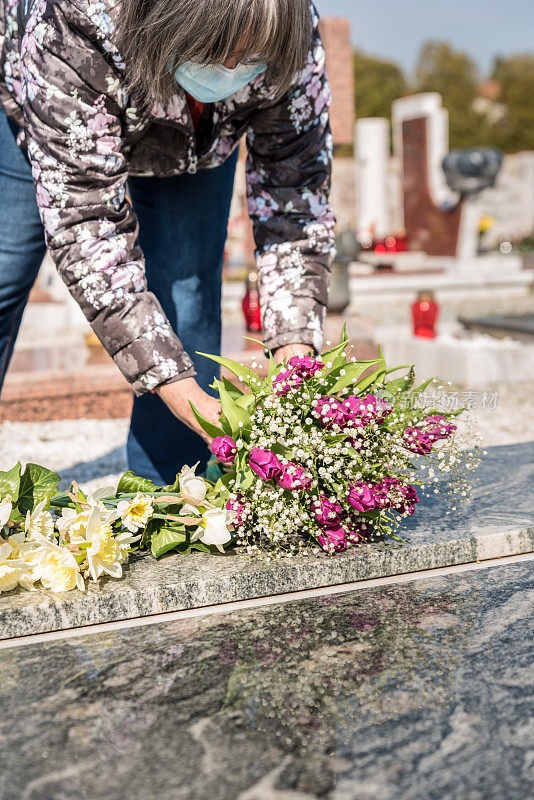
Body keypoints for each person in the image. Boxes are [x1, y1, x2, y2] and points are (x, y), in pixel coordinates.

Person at [0, 0, 335, 484]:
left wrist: (296, 364)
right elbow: (88, 227)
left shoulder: (291, 31)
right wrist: (187, 397)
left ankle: (172, 494)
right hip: (45, 103)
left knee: (186, 294)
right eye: (216, 56)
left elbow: (296, 202)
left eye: (250, 62)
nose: (231, 72)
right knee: (5, 273)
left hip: (195, 146)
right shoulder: (75, 26)